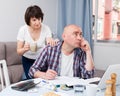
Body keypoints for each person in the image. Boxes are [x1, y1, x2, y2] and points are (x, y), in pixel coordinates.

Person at [29, 24, 94, 80]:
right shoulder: (50, 49)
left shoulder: (81, 52)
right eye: (75, 34)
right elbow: (32, 70)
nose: (79, 38)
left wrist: (88, 52)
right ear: (64, 36)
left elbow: (88, 76)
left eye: (80, 35)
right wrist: (44, 75)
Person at [17, 5, 58, 79]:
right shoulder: (23, 30)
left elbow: (49, 40)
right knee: (31, 80)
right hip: (27, 60)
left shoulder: (46, 28)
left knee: (44, 80)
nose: (38, 22)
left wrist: (51, 41)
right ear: (28, 20)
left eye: (39, 19)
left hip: (42, 60)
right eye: (34, 20)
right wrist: (24, 49)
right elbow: (19, 51)